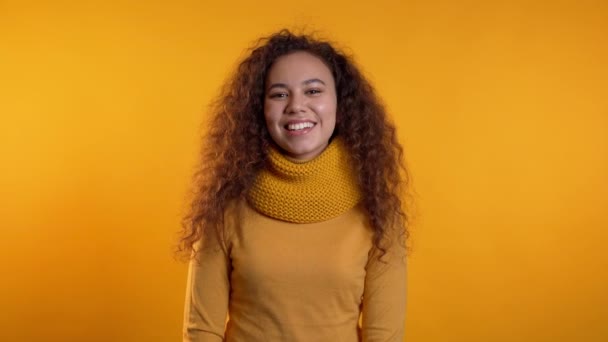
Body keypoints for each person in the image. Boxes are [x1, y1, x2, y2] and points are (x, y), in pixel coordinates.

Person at [177, 29, 412, 342]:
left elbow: (384, 335)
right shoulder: (225, 206)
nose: (296, 106)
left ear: (341, 103)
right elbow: (202, 331)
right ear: (259, 109)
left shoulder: (379, 210)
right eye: (279, 94)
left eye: (313, 91)